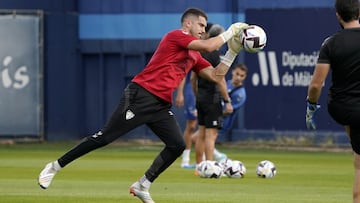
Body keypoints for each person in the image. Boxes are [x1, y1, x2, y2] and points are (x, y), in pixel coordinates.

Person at [37, 7, 248, 203]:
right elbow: (210, 45)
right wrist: (231, 31)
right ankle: (54, 166)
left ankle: (142, 185)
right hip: (140, 95)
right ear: (188, 25)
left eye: (205, 26)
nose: (204, 29)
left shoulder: (194, 55)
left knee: (177, 145)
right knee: (104, 137)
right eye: (201, 25)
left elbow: (215, 75)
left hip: (160, 105)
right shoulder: (176, 36)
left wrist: (233, 51)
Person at [305, 0, 360, 202]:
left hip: (341, 108)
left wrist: (311, 106)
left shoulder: (331, 42)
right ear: (359, 13)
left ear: (338, 15)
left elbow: (316, 85)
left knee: (358, 155)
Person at [194, 22, 233, 168]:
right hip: (212, 99)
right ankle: (210, 166)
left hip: (201, 98)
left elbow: (193, 79)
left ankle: (199, 166)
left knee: (202, 133)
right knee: (211, 135)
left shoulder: (200, 53)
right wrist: (227, 100)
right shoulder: (214, 54)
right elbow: (221, 80)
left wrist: (197, 94)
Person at [218, 64, 248, 142]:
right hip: (214, 115)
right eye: (237, 74)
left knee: (204, 138)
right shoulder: (226, 83)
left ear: (245, 77)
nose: (238, 78)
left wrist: (212, 115)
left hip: (222, 121)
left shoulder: (240, 94)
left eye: (242, 76)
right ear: (232, 72)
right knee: (200, 138)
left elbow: (228, 111)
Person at [175, 73, 198, 168]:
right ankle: (185, 160)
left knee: (207, 126)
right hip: (192, 90)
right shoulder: (192, 57)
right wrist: (180, 93)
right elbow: (183, 74)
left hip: (206, 89)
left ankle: (205, 160)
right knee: (191, 126)